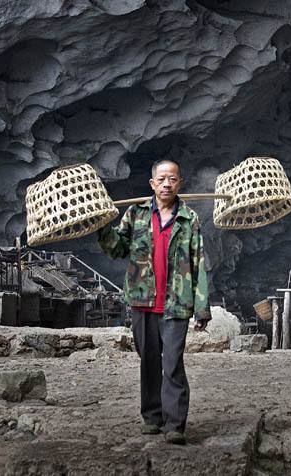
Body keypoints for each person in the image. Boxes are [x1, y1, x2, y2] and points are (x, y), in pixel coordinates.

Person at [98, 159, 211, 445]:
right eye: (161, 179)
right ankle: (152, 417)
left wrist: (202, 307)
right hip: (142, 301)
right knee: (148, 361)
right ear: (152, 184)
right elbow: (117, 248)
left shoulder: (189, 218)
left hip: (177, 303)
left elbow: (198, 263)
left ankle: (175, 425)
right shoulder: (135, 215)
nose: (166, 184)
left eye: (172, 179)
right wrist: (101, 226)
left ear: (180, 183)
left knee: (172, 363)